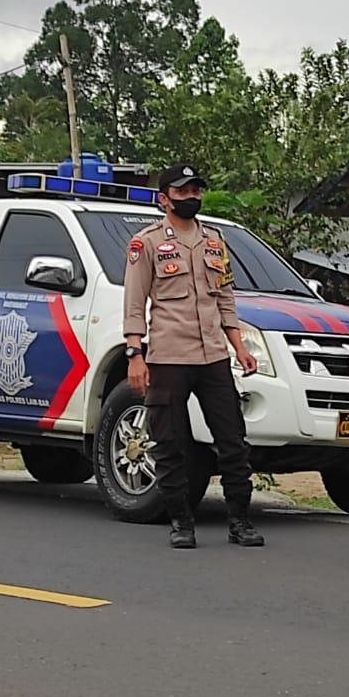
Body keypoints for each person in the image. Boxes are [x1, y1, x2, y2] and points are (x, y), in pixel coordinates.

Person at [123, 164, 264, 551]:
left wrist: (240, 346)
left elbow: (225, 298)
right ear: (164, 198)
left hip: (214, 357)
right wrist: (135, 354)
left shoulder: (215, 241)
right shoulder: (146, 243)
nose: (191, 198)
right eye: (182, 192)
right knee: (170, 442)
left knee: (233, 440)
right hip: (169, 355)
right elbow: (134, 302)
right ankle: (181, 521)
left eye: (196, 191)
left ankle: (240, 520)